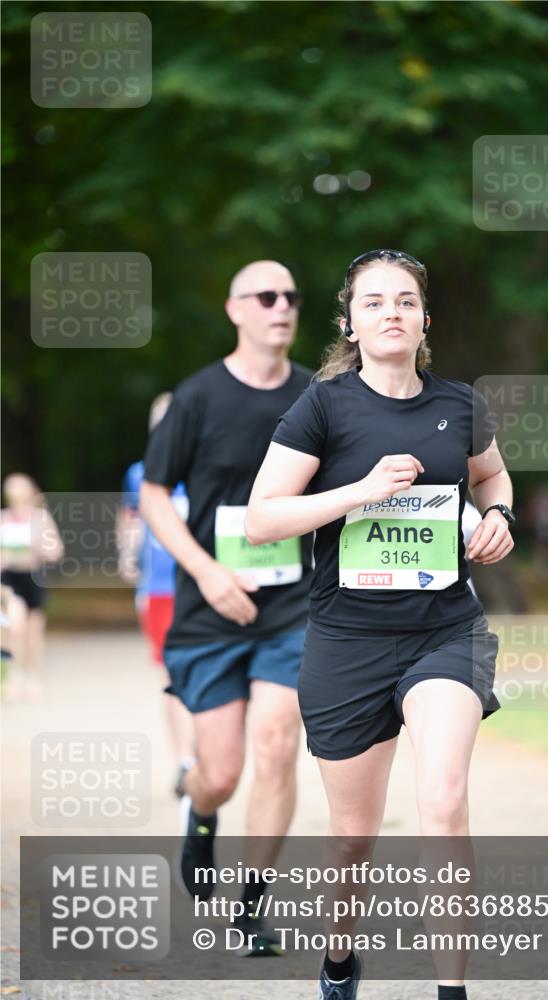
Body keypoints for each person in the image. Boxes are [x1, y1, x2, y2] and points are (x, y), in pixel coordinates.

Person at [246, 249, 514, 1000]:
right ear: (349, 322)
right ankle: (339, 959)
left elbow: (490, 472)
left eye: (404, 301)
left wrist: (498, 513)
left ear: (424, 319)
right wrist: (358, 492)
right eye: (373, 302)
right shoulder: (322, 408)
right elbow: (263, 519)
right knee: (352, 839)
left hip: (444, 631)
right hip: (347, 642)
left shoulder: (460, 404)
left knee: (443, 801)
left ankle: (451, 991)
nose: (390, 312)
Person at [140, 260, 313, 954]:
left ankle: (250, 908)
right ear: (235, 309)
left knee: (277, 745)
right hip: (210, 608)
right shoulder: (197, 397)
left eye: (291, 296)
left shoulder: (316, 396)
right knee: (221, 773)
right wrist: (207, 571)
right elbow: (154, 494)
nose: (281, 306)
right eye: (266, 296)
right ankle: (200, 809)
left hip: (291, 607)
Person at [117, 393, 193, 796]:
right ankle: (185, 760)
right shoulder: (140, 472)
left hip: (205, 584)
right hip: (161, 587)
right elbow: (131, 517)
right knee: (174, 673)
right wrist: (127, 555)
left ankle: (207, 755)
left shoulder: (204, 465)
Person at [0, 473, 63, 701]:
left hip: (35, 577)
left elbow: (56, 551)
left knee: (33, 632)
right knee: (14, 627)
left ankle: (33, 675)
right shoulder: (3, 518)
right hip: (10, 579)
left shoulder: (41, 518)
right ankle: (15, 675)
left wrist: (38, 547)